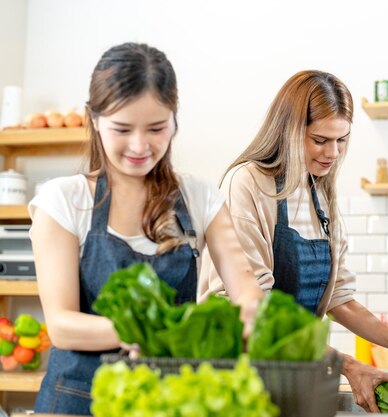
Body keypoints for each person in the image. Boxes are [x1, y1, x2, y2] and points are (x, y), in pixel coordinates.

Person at [199, 70, 388, 413]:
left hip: (295, 376)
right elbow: (255, 312)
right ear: (289, 130)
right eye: (320, 139)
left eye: (342, 140)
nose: (332, 153)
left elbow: (341, 302)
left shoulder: (320, 192)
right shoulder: (247, 184)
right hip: (241, 382)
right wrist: (346, 364)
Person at [29, 43, 264, 415]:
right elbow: (61, 325)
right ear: (94, 119)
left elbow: (246, 292)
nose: (140, 146)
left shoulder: (200, 198)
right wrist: (162, 333)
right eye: (122, 129)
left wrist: (252, 316)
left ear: (174, 120)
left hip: (168, 402)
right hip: (76, 402)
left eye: (156, 128)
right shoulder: (63, 201)